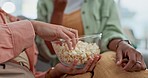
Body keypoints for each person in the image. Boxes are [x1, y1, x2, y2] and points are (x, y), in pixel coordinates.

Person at [36, 0, 148, 78]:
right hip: (68, 66)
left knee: (108, 65)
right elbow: (49, 51)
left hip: (100, 56)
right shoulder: (45, 3)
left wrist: (122, 44)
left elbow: (110, 31)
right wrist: (58, 11)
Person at [0, 8, 101, 78]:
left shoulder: (11, 19)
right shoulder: (22, 25)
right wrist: (35, 27)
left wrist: (54, 72)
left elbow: (28, 74)